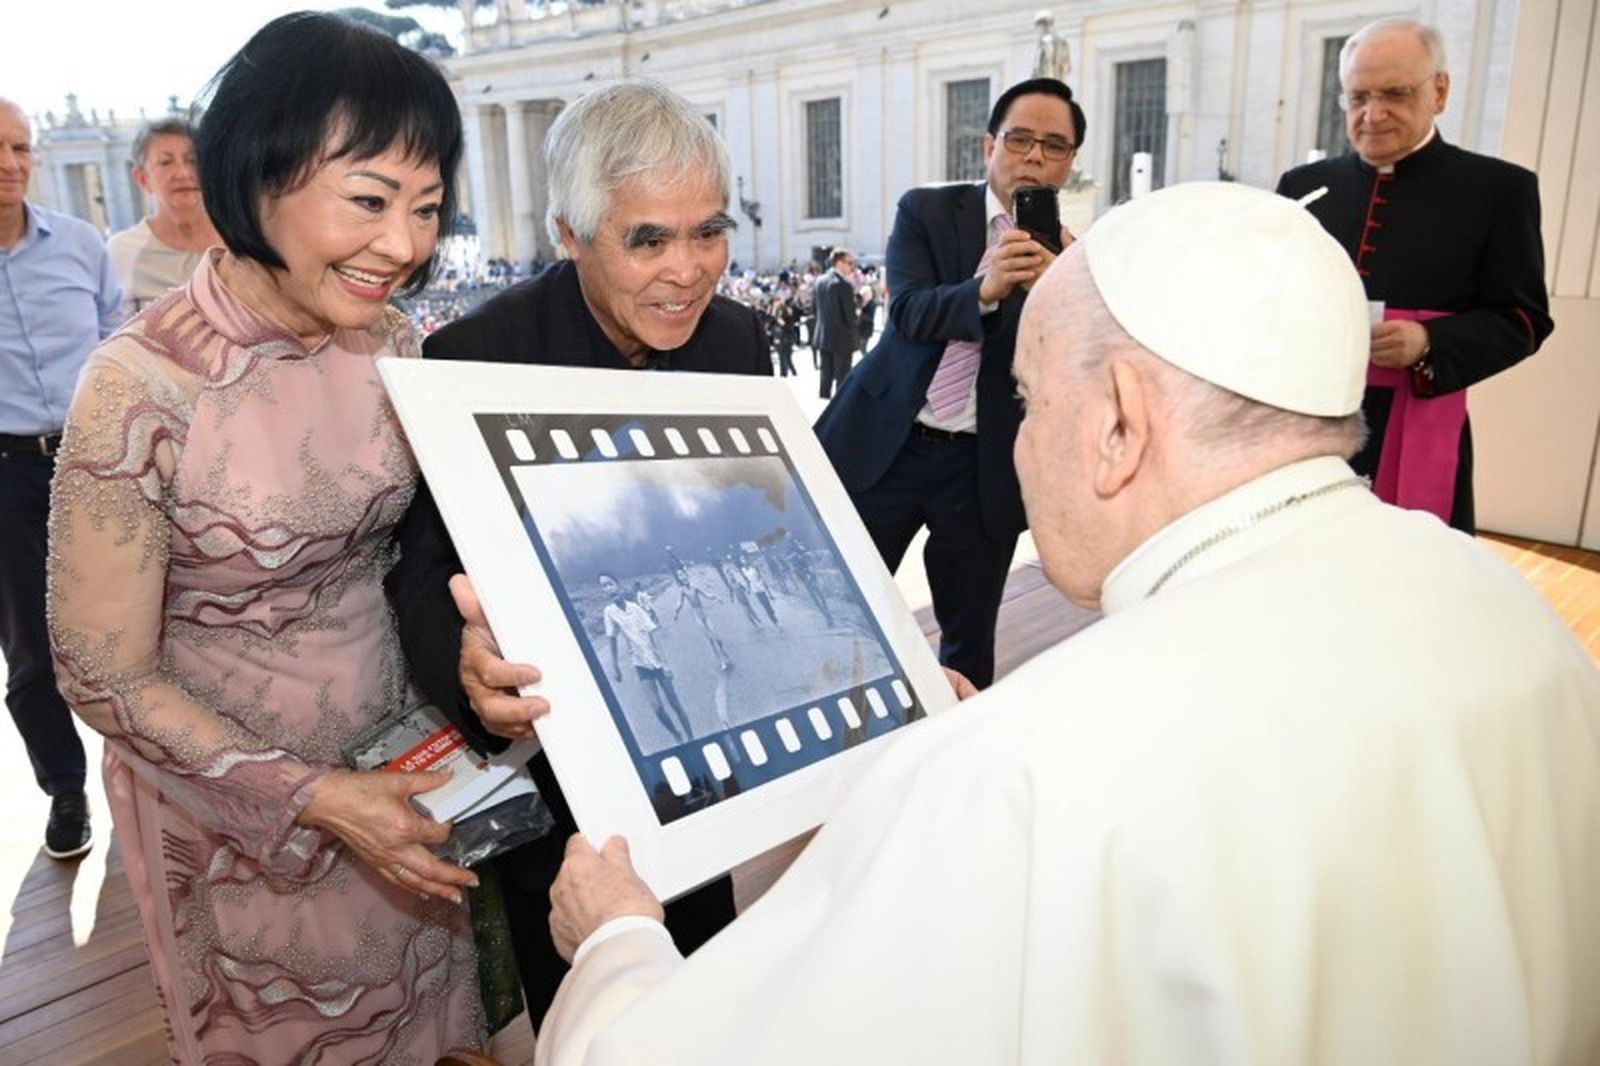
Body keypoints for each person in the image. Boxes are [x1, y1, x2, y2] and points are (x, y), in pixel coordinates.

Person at [532, 181, 1600, 1066]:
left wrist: (619, 939)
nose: (1018, 444)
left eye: (1032, 402)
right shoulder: (1502, 603)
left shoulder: (1031, 765)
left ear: (1121, 424)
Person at [45, 15, 482, 1062]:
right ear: (256, 174)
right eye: (370, 202)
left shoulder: (389, 335)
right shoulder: (140, 387)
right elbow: (98, 674)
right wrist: (313, 798)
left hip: (397, 757)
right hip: (234, 803)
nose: (406, 245)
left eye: (425, 209)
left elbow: (400, 553)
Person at [385, 80, 766, 1024]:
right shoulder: (476, 355)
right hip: (558, 760)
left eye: (708, 231)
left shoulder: (740, 341)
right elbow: (421, 564)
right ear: (570, 233)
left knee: (708, 961)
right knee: (584, 994)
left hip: (704, 755)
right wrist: (465, 664)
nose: (688, 270)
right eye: (648, 239)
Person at [814, 77, 1083, 688]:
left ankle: (949, 761)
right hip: (888, 443)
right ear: (989, 145)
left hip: (982, 467)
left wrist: (1058, 291)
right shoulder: (927, 211)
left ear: (1070, 162)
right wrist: (983, 292)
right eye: (1019, 139)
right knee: (838, 607)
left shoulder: (1074, 261)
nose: (1034, 156)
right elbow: (907, 312)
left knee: (967, 640)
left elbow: (1072, 370)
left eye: (1054, 145)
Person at [1276, 17, 1552, 533]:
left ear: (1439, 91)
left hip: (1413, 420)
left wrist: (1430, 341)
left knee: (1405, 570)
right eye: (1357, 98)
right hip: (1305, 423)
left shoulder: (1498, 190)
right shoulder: (1303, 186)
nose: (1373, 115)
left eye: (1396, 94)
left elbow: (1524, 319)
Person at [0, 96, 119, 861]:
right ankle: (66, 791)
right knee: (31, 653)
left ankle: (154, 778)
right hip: (5, 474)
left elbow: (115, 338)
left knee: (139, 623)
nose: (10, 167)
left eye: (20, 149)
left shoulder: (80, 243)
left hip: (95, 461)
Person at [105, 117, 221, 317]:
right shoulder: (121, 252)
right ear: (142, 179)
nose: (183, 173)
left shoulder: (241, 239)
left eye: (192, 160)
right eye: (166, 162)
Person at [599, 573, 693, 744]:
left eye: (610, 584)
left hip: (656, 661)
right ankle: (676, 735)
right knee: (657, 708)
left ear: (618, 585)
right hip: (640, 665)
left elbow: (653, 634)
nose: (608, 588)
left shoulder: (635, 608)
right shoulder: (609, 612)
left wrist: (665, 664)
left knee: (675, 704)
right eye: (604, 586)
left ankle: (691, 737)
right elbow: (611, 638)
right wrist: (615, 667)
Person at [811, 247, 857, 399]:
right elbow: (850, 317)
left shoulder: (819, 281)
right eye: (849, 263)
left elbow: (814, 310)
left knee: (825, 378)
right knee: (842, 380)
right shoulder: (843, 285)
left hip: (823, 337)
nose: (851, 266)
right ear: (839, 262)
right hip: (841, 339)